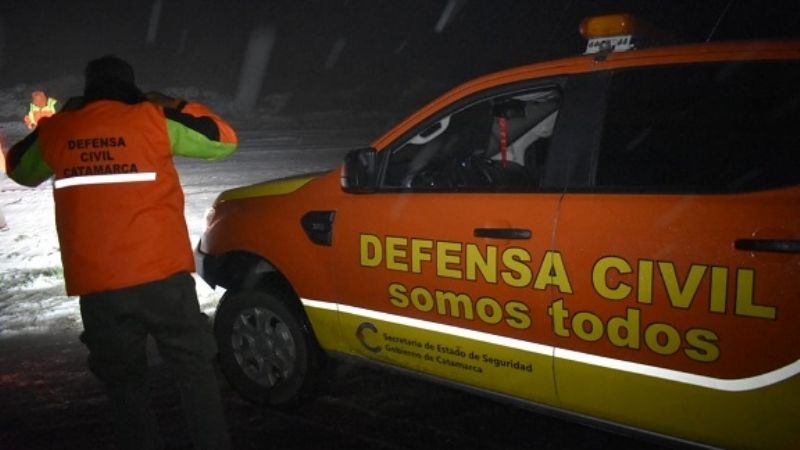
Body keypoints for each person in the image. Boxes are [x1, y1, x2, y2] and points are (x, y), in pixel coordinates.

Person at [4, 55, 237, 450]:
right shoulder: (152, 120)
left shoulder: (62, 130)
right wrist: (175, 104)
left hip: (101, 289)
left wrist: (59, 119)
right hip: (164, 281)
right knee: (194, 373)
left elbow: (18, 168)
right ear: (129, 86)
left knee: (126, 387)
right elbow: (223, 141)